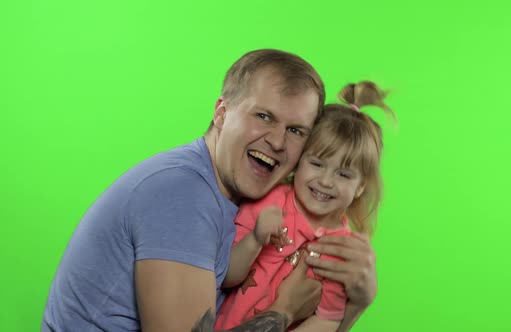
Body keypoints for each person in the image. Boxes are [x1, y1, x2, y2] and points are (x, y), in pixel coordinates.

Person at [42, 49, 377, 332]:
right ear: (221, 112)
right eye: (263, 116)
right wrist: (284, 311)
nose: (277, 141)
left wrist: (357, 302)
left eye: (295, 130)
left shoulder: (249, 197)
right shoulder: (182, 196)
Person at [214, 81, 392, 331]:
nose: (325, 181)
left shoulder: (342, 249)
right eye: (317, 164)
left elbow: (327, 318)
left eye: (344, 174)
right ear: (299, 161)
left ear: (361, 187)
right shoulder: (271, 200)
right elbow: (225, 276)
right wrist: (254, 239)